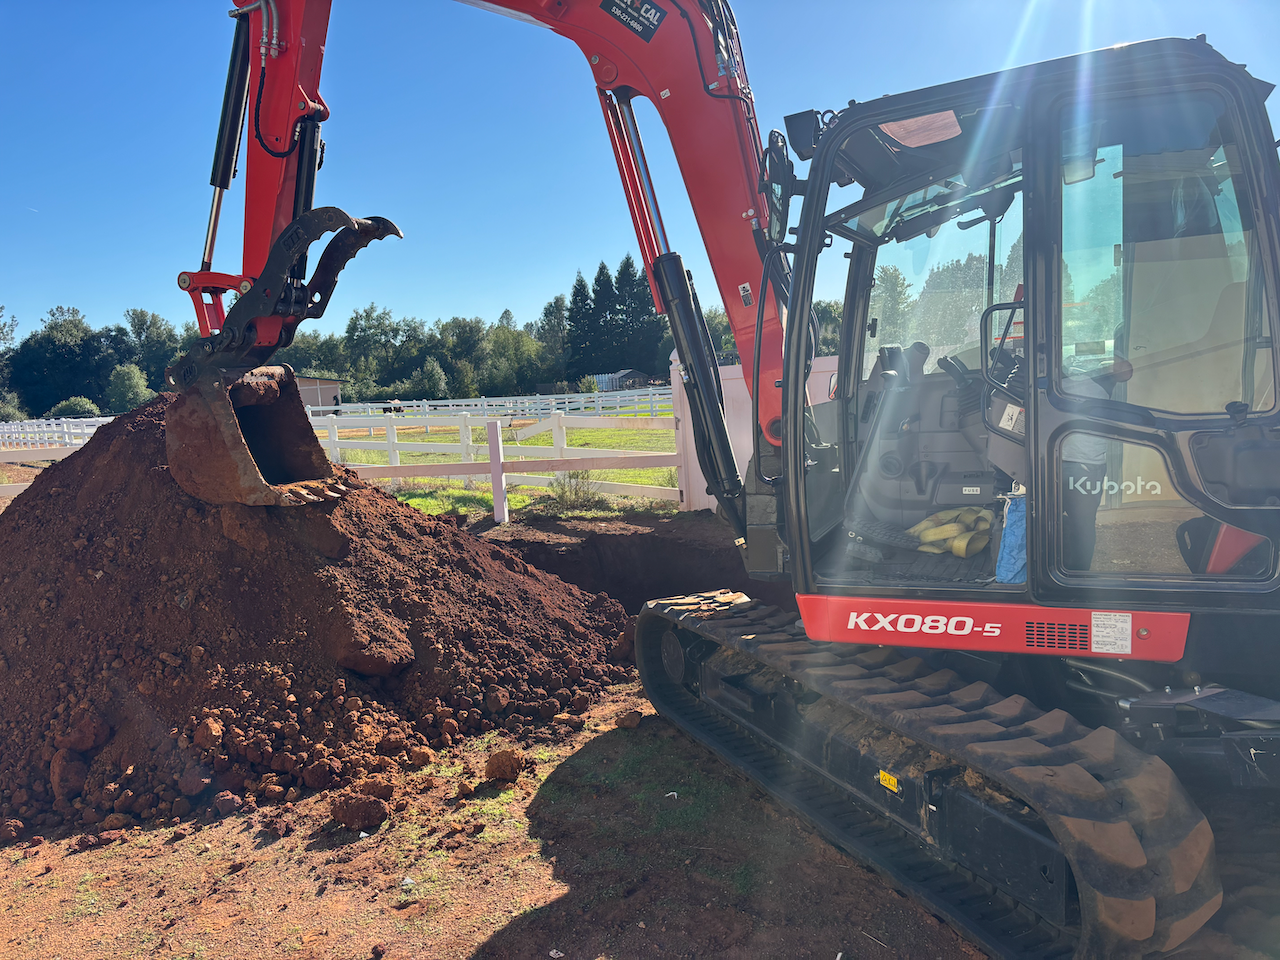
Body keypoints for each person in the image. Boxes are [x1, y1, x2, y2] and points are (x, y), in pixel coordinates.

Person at [1060, 356, 1133, 570]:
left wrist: (1109, 356)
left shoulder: (1100, 377)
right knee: (1045, 521)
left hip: (1085, 464)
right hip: (1049, 459)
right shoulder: (1050, 377)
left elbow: (1126, 372)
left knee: (1082, 525)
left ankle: (1078, 576)